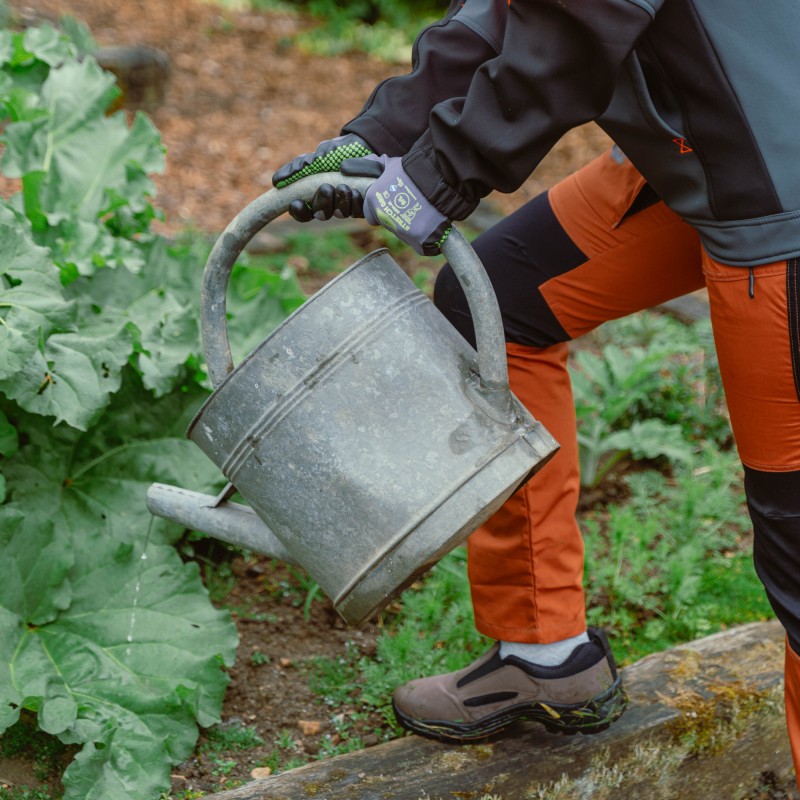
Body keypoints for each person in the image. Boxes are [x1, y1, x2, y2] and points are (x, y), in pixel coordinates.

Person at [271, 0, 800, 779]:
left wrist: (439, 172)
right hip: (717, 162)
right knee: (500, 303)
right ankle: (543, 651)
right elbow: (507, 11)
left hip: (778, 203)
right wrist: (378, 136)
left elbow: (585, 19)